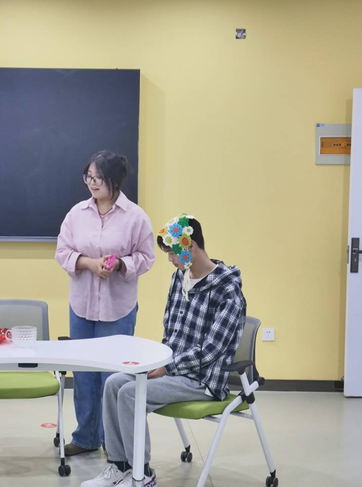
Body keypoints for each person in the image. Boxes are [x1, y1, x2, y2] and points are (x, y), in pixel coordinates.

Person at [82, 213, 246, 487]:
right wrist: (154, 363)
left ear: (190, 246)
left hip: (202, 379)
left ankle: (141, 474)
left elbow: (211, 350)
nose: (169, 259)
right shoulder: (179, 279)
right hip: (171, 369)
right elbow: (169, 332)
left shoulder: (228, 290)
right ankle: (119, 465)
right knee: (113, 383)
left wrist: (168, 367)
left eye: (172, 252)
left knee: (131, 393)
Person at [55, 150, 155, 456]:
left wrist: (121, 264)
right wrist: (88, 263)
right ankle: (85, 438)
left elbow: (146, 257)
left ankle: (115, 446)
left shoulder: (135, 217)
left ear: (115, 180)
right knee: (84, 375)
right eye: (89, 176)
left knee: (112, 377)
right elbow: (62, 251)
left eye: (99, 177)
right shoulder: (76, 214)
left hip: (117, 307)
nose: (92, 183)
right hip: (82, 305)